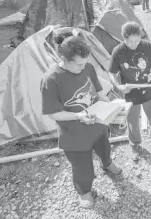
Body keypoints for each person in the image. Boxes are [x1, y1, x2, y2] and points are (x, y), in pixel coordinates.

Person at [40, 30, 122, 208]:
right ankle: (84, 191)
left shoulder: (88, 67)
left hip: (97, 123)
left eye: (85, 63)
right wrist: (78, 116)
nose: (83, 67)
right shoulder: (51, 79)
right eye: (78, 64)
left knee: (104, 146)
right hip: (74, 133)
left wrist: (114, 105)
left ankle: (107, 163)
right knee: (82, 166)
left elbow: (99, 93)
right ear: (64, 58)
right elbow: (53, 113)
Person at [108, 22, 151, 161]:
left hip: (148, 89)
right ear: (123, 38)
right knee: (132, 121)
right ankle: (135, 144)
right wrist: (119, 86)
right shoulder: (118, 51)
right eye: (130, 41)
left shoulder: (146, 46)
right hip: (130, 93)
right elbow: (112, 73)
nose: (134, 44)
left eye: (137, 40)